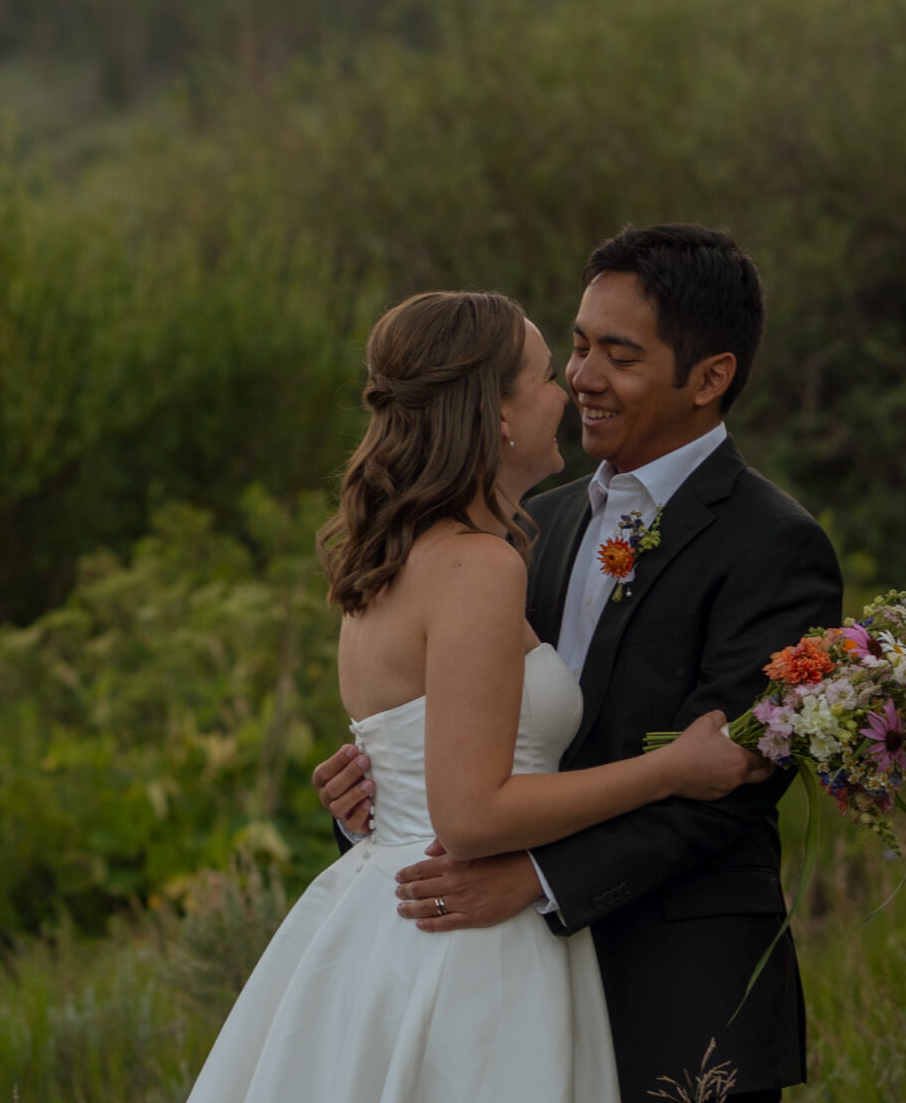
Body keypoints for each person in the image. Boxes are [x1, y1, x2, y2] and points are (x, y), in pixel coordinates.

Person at [187, 286, 768, 1103]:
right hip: (471, 944)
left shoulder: (392, 556)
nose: (569, 387)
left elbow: (424, 756)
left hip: (389, 923)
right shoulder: (480, 565)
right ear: (497, 415)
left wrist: (371, 799)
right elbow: (468, 816)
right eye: (548, 372)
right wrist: (673, 767)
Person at [312, 225, 844, 1100]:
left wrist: (537, 880)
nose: (584, 376)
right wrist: (376, 800)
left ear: (710, 376)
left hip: (676, 992)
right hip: (497, 980)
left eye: (620, 355)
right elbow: (474, 741)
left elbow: (734, 782)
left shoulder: (775, 546)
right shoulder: (530, 525)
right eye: (578, 346)